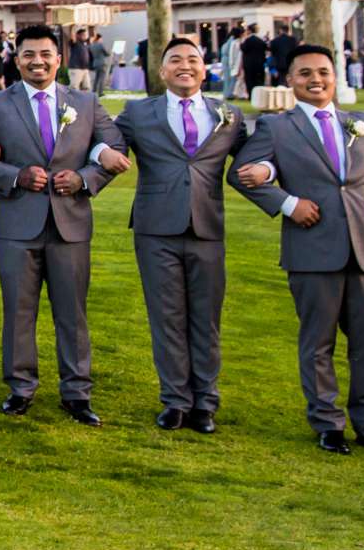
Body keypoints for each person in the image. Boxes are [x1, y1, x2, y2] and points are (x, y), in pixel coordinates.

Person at [232, 45, 364, 456]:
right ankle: (327, 423)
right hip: (311, 250)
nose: (315, 79)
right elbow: (242, 173)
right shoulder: (275, 127)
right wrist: (288, 204)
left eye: (323, 71)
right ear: (289, 81)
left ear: (335, 76)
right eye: (304, 73)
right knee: (318, 342)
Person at [0, 25, 128, 424]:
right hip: (17, 223)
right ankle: (20, 388)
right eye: (29, 54)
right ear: (17, 60)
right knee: (18, 310)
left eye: (46, 54)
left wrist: (84, 178)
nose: (38, 61)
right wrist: (14, 175)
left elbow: (115, 148)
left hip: (71, 224)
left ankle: (77, 392)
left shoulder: (85, 103)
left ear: (59, 58)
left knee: (73, 312)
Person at [114, 36, 275, 433]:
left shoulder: (229, 116)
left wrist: (269, 176)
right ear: (162, 70)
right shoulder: (138, 113)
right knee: (166, 317)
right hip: (156, 230)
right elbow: (101, 145)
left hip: (207, 227)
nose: (184, 65)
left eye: (193, 59)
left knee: (206, 318)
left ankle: (205, 402)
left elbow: (256, 160)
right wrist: (97, 160)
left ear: (205, 68)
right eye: (175, 60)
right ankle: (175, 401)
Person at [240, 24, 270, 96]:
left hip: (249, 64)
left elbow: (243, 48)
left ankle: (251, 95)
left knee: (250, 80)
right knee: (259, 80)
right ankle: (259, 95)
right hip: (259, 63)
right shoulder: (260, 40)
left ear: (249, 31)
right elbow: (267, 47)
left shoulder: (247, 40)